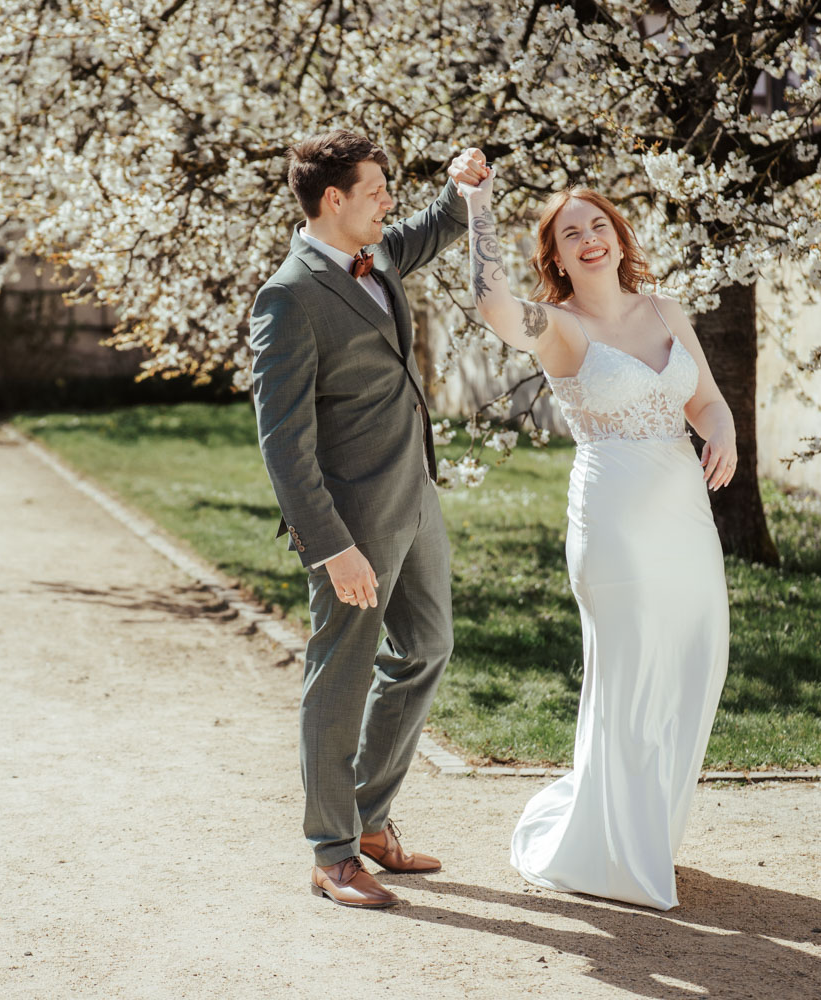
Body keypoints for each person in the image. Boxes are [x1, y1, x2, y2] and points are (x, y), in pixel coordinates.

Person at [459, 166, 734, 910]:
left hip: (685, 518)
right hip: (613, 522)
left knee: (694, 664)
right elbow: (489, 303)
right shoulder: (563, 328)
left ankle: (646, 829)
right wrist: (476, 202)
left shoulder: (666, 309)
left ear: (619, 236)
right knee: (631, 674)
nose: (587, 239)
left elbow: (705, 401)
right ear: (554, 254)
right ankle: (616, 852)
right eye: (569, 232)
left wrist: (725, 434)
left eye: (597, 225)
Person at [248, 130, 487, 909]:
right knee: (341, 675)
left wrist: (463, 186)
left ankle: (371, 815)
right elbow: (283, 444)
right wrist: (333, 548)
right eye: (378, 188)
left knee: (428, 646)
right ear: (333, 199)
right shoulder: (287, 297)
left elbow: (436, 226)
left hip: (415, 498)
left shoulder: (376, 254)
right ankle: (332, 852)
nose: (390, 200)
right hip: (350, 524)